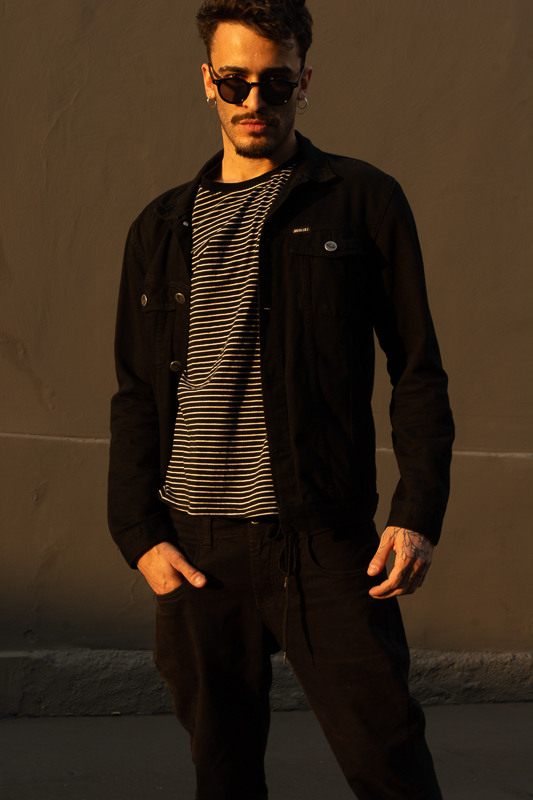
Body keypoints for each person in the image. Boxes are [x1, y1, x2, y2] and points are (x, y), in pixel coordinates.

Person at [108, 1, 454, 797]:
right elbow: (136, 394)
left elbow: (417, 370)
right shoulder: (159, 227)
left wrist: (416, 512)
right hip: (196, 550)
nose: (255, 101)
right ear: (208, 82)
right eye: (235, 83)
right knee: (222, 770)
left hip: (323, 538)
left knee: (389, 761)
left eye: (276, 82)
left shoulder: (361, 200)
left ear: (304, 81)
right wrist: (138, 534)